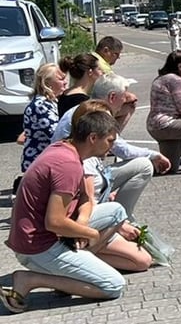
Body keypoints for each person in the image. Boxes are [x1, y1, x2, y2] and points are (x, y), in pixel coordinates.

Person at [2, 106, 150, 313]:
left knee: (117, 210)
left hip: (47, 236)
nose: (112, 146)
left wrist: (80, 225)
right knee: (113, 285)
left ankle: (76, 264)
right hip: (38, 247)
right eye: (109, 140)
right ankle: (31, 279)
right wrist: (90, 233)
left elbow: (85, 198)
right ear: (92, 138)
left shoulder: (65, 149)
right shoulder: (67, 164)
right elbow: (54, 222)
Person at [54, 77, 172, 216]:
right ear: (112, 97)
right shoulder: (97, 115)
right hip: (80, 177)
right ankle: (120, 216)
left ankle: (114, 214)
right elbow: (122, 150)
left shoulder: (84, 108)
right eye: (124, 95)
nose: (126, 100)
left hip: (77, 171)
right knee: (144, 166)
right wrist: (154, 155)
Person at [19, 64, 65, 184]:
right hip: (39, 161)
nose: (65, 82)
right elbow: (56, 134)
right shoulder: (41, 105)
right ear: (48, 83)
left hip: (47, 160)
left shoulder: (52, 102)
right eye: (61, 79)